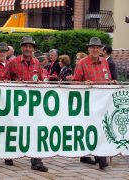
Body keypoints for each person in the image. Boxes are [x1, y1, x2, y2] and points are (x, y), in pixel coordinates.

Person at [5, 36, 48, 172]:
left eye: (30, 46)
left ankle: (36, 161)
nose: (28, 48)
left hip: (33, 106)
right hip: (16, 105)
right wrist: (13, 84)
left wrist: (42, 82)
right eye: (25, 46)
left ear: (33, 48)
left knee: (35, 130)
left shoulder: (37, 63)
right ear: (21, 48)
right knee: (15, 129)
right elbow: (4, 80)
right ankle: (9, 154)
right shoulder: (13, 63)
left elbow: (42, 79)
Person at [71, 37, 111, 170]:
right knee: (93, 130)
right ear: (88, 49)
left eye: (97, 47)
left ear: (101, 50)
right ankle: (101, 158)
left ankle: (90, 155)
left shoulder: (105, 62)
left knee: (102, 129)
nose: (95, 49)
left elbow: (108, 80)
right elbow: (75, 82)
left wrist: (113, 83)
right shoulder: (82, 63)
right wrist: (83, 83)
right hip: (88, 104)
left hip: (103, 104)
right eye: (92, 47)